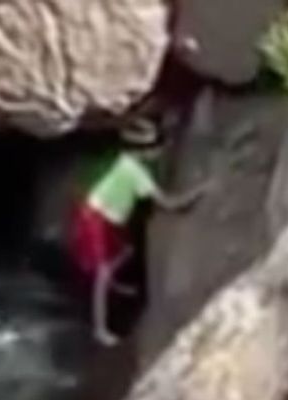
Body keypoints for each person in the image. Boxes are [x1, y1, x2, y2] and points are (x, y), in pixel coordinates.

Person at [70, 119, 211, 346]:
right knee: (103, 272)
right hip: (96, 217)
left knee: (125, 250)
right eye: (156, 148)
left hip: (104, 214)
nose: (159, 152)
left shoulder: (128, 162)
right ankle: (100, 329)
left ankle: (114, 283)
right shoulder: (138, 174)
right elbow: (169, 204)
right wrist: (199, 192)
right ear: (144, 151)